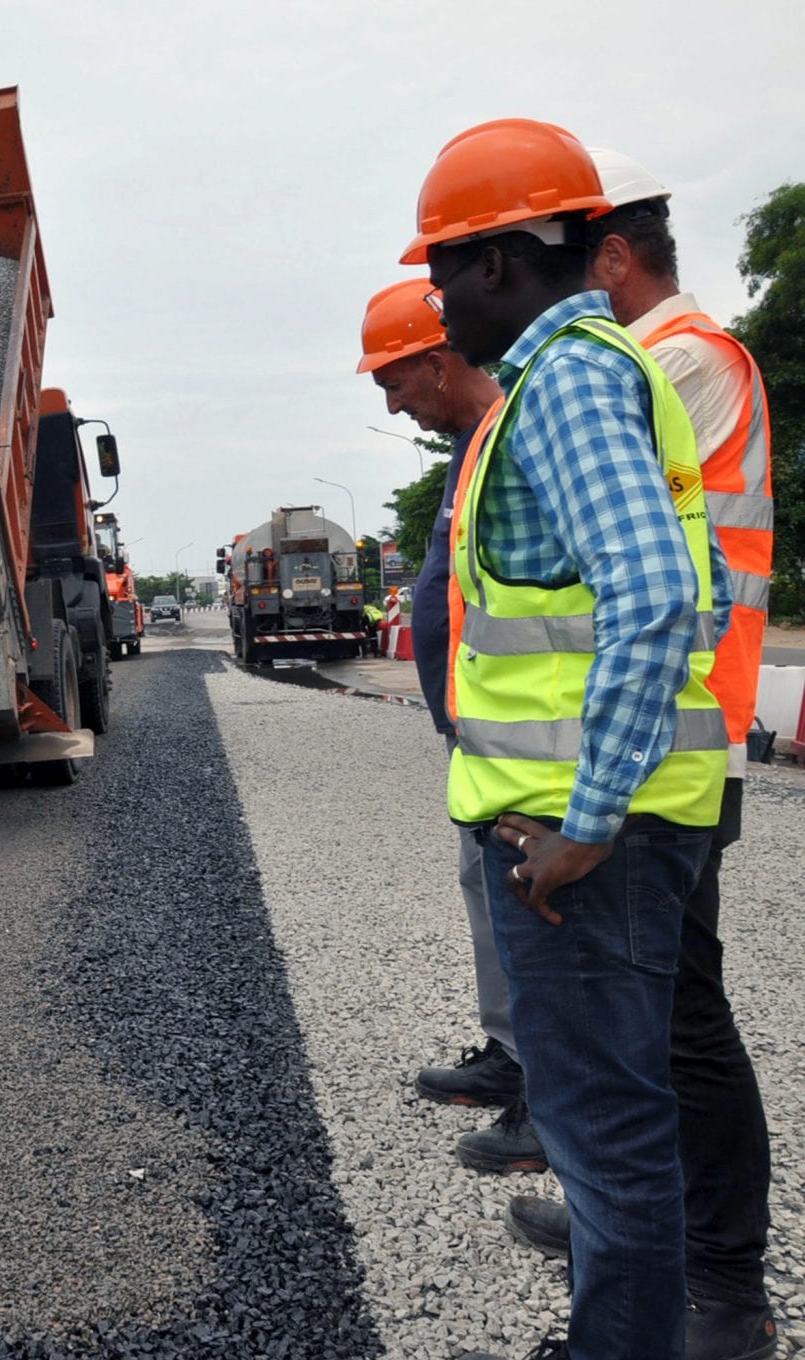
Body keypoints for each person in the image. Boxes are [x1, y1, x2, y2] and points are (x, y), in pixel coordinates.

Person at [403, 118, 730, 1360]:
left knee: (604, 1131)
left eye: (441, 271)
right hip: (606, 822)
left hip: (589, 841)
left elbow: (650, 594)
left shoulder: (568, 382)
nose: (435, 303)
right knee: (611, 1123)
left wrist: (585, 825)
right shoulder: (580, 376)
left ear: (496, 263)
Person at [498, 148, 779, 1360]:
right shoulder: (640, 363)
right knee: (648, 1025)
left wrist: (597, 804)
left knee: (677, 1023)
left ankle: (723, 1287)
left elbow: (655, 583)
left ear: (609, 258)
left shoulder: (663, 361)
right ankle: (639, 1235)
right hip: (656, 726)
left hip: (668, 737)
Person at [357, 279, 544, 1170]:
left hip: (530, 745)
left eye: (395, 383)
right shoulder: (471, 449)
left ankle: (556, 1103)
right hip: (483, 739)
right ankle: (515, 1061)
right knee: (489, 897)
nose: (395, 404)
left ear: (436, 359)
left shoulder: (513, 433)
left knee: (536, 920)